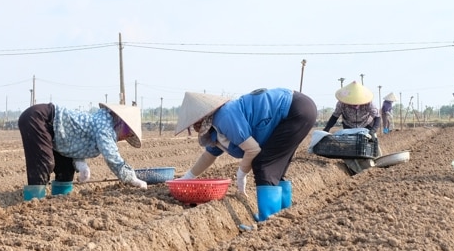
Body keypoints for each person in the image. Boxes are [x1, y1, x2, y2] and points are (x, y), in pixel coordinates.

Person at [175, 88, 317, 222]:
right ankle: (282, 213)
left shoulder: (224, 116)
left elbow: (253, 150)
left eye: (194, 124)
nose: (194, 128)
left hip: (294, 109)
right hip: (301, 108)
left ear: (201, 118)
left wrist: (241, 174)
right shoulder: (215, 128)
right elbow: (209, 155)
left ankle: (268, 220)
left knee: (263, 164)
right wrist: (187, 178)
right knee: (276, 168)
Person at [18, 101, 147, 201]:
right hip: (39, 118)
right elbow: (111, 155)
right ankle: (33, 204)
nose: (124, 137)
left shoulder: (101, 123)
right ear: (119, 122)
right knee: (44, 162)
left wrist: (81, 165)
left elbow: (77, 142)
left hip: (57, 134)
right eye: (126, 131)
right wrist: (131, 178)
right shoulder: (104, 126)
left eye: (128, 135)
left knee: (66, 169)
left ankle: (57, 203)